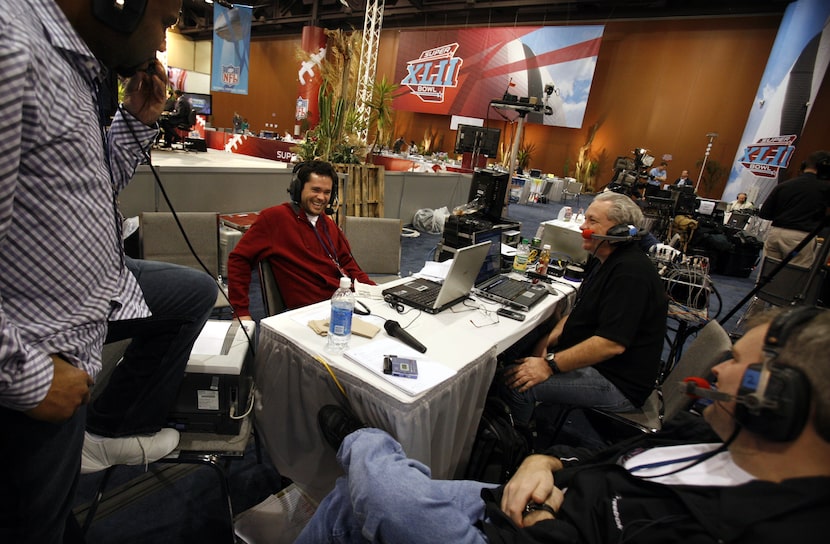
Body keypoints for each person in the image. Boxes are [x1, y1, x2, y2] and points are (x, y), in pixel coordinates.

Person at [295, 306, 830, 543]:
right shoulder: (709, 433)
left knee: (380, 492)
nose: (717, 368)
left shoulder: (759, 526)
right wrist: (546, 459)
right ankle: (367, 453)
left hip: (526, 529)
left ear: (776, 400)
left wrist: (545, 519)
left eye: (737, 362)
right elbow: (612, 462)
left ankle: (362, 439)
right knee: (348, 501)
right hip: (533, 499)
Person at [1, 1, 218, 542]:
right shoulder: (12, 49)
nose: (165, 45)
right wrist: (27, 378)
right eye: (166, 20)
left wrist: (136, 121)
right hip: (40, 354)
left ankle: (113, 428)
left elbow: (84, 188)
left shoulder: (72, 65)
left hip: (95, 293)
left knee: (193, 293)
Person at [500, 192, 667, 427]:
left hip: (619, 383)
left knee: (517, 385)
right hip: (605, 367)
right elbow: (579, 312)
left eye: (592, 221)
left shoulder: (630, 274)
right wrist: (549, 339)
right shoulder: (606, 261)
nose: (583, 226)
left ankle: (516, 449)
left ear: (618, 232)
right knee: (525, 345)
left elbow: (610, 344)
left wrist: (549, 364)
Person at [227, 160, 375, 315]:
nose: (321, 197)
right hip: (310, 314)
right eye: (315, 190)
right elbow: (239, 260)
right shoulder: (274, 218)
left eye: (327, 192)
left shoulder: (328, 225)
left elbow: (348, 263)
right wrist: (241, 312)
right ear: (298, 190)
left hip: (344, 303)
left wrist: (374, 291)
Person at [758, 150, 830, 267]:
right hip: (800, 237)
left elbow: (764, 214)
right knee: (792, 277)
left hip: (775, 234)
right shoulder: (825, 188)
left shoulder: (783, 185)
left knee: (767, 273)